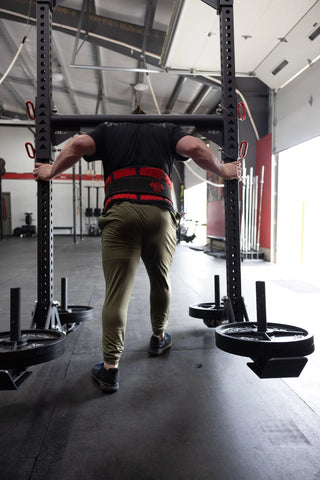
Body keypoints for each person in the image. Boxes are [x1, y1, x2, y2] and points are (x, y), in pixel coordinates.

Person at [33, 118, 241, 393]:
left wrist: (51, 171)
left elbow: (79, 143)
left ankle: (110, 369)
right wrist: (223, 169)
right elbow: (196, 147)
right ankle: (158, 337)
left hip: (121, 211)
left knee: (117, 293)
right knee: (160, 280)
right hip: (160, 212)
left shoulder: (108, 129)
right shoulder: (167, 130)